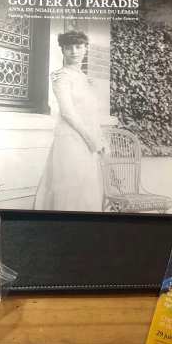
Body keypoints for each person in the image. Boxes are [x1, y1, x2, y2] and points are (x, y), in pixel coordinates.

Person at [34, 31, 104, 212]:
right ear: (62, 50)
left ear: (86, 49)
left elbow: (91, 114)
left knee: (86, 189)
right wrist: (91, 139)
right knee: (70, 189)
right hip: (70, 140)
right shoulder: (60, 76)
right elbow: (67, 112)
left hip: (87, 142)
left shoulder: (84, 78)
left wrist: (99, 139)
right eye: (68, 48)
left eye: (78, 47)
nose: (74, 51)